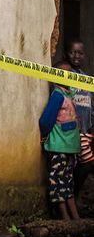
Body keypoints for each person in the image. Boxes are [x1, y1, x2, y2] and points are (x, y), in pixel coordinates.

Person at [40, 62, 82, 220]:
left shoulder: (68, 95)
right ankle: (65, 218)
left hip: (69, 148)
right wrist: (45, 136)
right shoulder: (57, 95)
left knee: (68, 183)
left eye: (70, 73)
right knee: (58, 183)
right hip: (59, 147)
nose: (68, 76)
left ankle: (75, 218)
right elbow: (46, 120)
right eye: (64, 73)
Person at [64, 39, 93, 199]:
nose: (76, 55)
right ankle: (71, 196)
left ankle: (71, 196)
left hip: (87, 129)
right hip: (73, 130)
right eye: (72, 52)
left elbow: (90, 102)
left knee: (82, 163)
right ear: (66, 54)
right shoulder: (64, 74)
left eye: (80, 52)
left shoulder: (86, 77)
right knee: (86, 163)